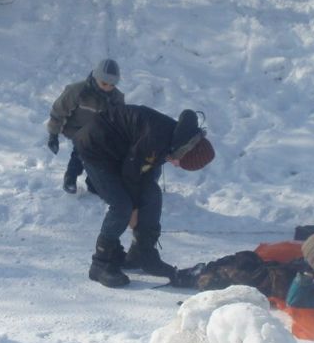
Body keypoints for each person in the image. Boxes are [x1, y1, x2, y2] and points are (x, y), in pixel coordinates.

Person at [73, 105, 215, 287]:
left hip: (120, 152)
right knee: (121, 206)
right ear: (185, 151)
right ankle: (101, 263)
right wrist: (133, 209)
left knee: (152, 194)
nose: (177, 166)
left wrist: (141, 210)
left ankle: (141, 254)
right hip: (95, 148)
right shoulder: (157, 138)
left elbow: (144, 170)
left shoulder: (177, 139)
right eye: (181, 163)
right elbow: (130, 174)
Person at [46, 59, 125, 194]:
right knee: (82, 149)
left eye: (112, 85)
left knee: (103, 153)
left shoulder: (116, 97)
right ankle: (70, 177)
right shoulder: (78, 91)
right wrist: (53, 134)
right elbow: (59, 111)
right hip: (76, 128)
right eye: (104, 83)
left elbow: (119, 119)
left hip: (99, 130)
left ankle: (93, 181)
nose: (107, 88)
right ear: (96, 77)